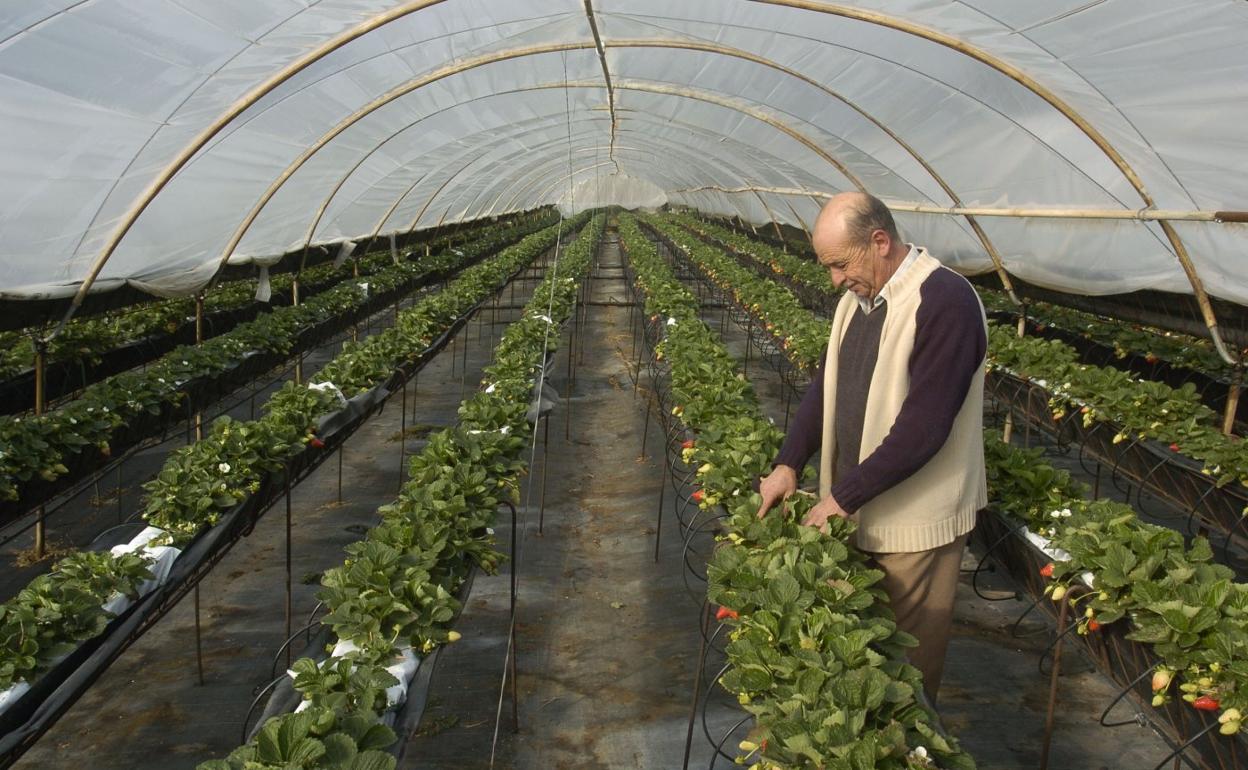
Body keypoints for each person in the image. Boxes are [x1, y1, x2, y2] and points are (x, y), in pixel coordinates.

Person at [755, 191, 987, 705]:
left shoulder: (944, 301)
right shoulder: (855, 303)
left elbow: (924, 428)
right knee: (857, 662)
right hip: (858, 511)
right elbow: (826, 388)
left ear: (879, 242)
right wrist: (789, 463)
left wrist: (841, 496)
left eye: (840, 264)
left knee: (902, 676)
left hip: (914, 528)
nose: (835, 278)